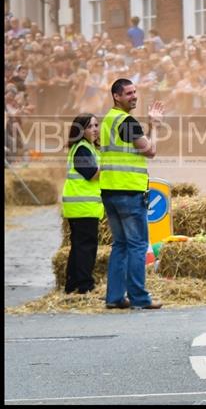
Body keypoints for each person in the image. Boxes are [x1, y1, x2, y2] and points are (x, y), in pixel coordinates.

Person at [101, 78, 164, 310]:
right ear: (116, 96)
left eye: (135, 92)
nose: (134, 96)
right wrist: (155, 126)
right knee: (137, 245)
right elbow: (150, 151)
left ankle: (115, 297)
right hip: (128, 191)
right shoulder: (127, 122)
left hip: (109, 190)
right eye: (129, 93)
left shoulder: (108, 119)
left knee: (120, 245)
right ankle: (139, 298)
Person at [62, 113, 104, 294]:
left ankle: (72, 285)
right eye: (90, 126)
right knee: (86, 247)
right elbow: (93, 174)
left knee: (79, 246)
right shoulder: (82, 150)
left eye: (96, 125)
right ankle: (85, 286)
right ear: (81, 130)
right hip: (82, 206)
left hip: (82, 206)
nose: (95, 129)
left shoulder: (87, 148)